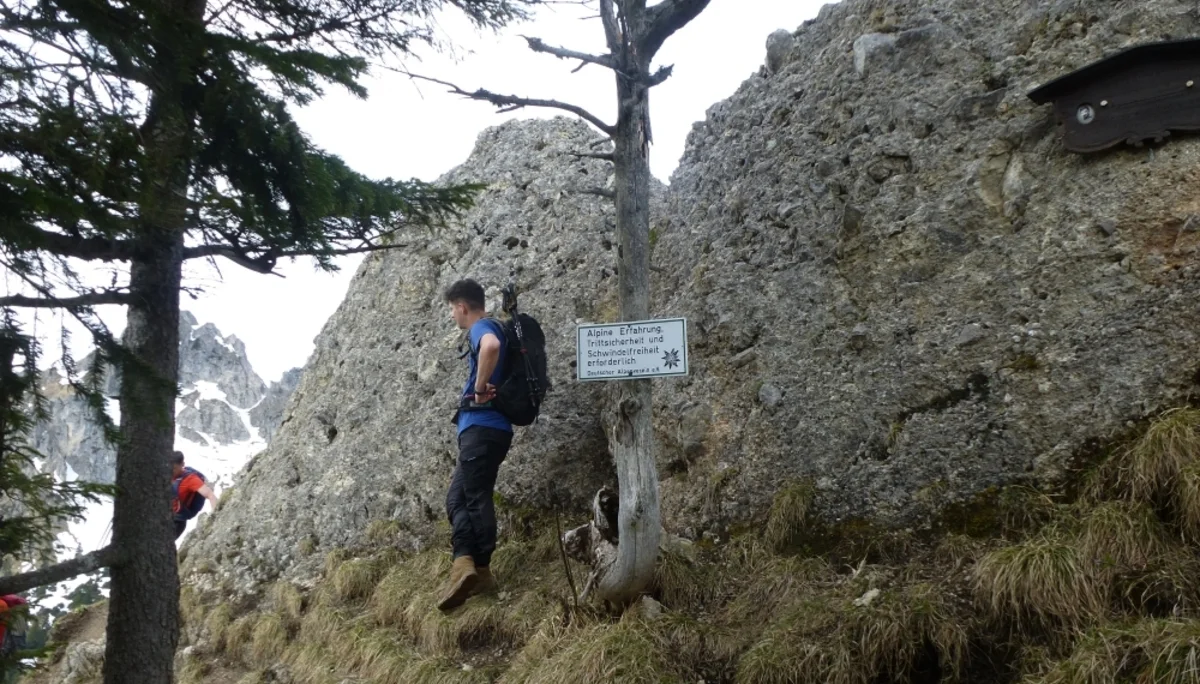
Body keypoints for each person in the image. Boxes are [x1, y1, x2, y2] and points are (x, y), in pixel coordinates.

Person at [439, 279, 513, 611]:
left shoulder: (482, 327)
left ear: (461, 306)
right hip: (488, 429)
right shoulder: (494, 325)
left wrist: (480, 388)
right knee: (458, 496)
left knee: (475, 495)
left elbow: (491, 346)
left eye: (453, 310)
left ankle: (480, 568)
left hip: (483, 426)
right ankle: (464, 563)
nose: (454, 316)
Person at [171, 451, 218, 540]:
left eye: (174, 468)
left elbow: (210, 495)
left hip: (177, 522)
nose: (171, 471)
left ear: (182, 465)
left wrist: (216, 516)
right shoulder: (166, 474)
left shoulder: (191, 479)